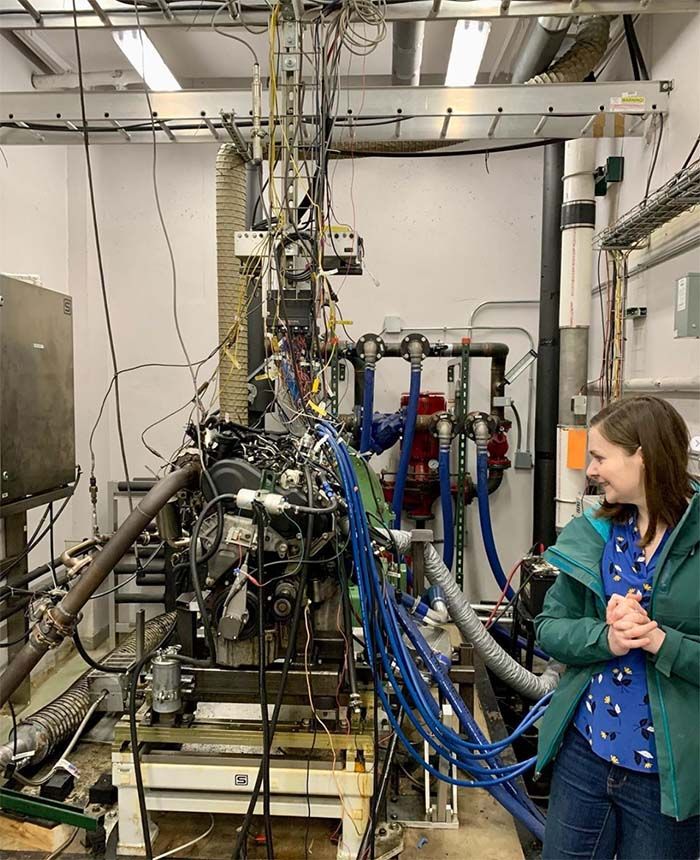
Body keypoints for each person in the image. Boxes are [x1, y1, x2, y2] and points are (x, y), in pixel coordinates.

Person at [534, 396, 699, 860]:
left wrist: (662, 642)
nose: (590, 470)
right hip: (586, 757)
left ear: (642, 456)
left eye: (600, 457)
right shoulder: (599, 533)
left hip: (666, 777)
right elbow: (549, 627)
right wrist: (604, 637)